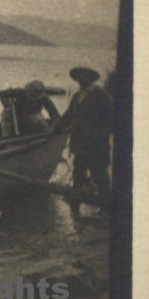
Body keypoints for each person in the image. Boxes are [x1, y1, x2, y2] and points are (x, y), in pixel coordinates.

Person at [51, 66, 115, 214]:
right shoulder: (76, 96)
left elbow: (112, 119)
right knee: (78, 173)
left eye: (85, 76)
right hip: (79, 144)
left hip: (96, 145)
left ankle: (106, 206)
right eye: (79, 77)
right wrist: (54, 131)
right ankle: (75, 205)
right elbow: (67, 117)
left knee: (98, 172)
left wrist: (100, 135)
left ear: (91, 78)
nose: (81, 79)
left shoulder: (101, 95)